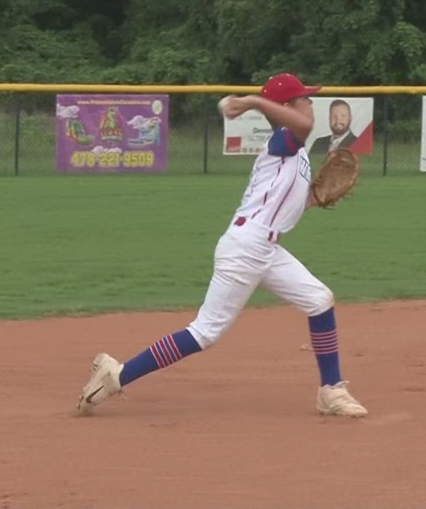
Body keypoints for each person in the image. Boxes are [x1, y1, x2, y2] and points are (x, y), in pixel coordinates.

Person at [75, 73, 368, 418]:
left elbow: (285, 205)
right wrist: (256, 103)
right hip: (246, 247)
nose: (310, 103)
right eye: (304, 98)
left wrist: (313, 200)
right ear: (286, 107)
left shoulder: (297, 152)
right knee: (204, 332)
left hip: (266, 248)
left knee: (319, 300)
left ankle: (331, 391)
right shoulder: (284, 141)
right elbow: (300, 127)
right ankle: (117, 375)